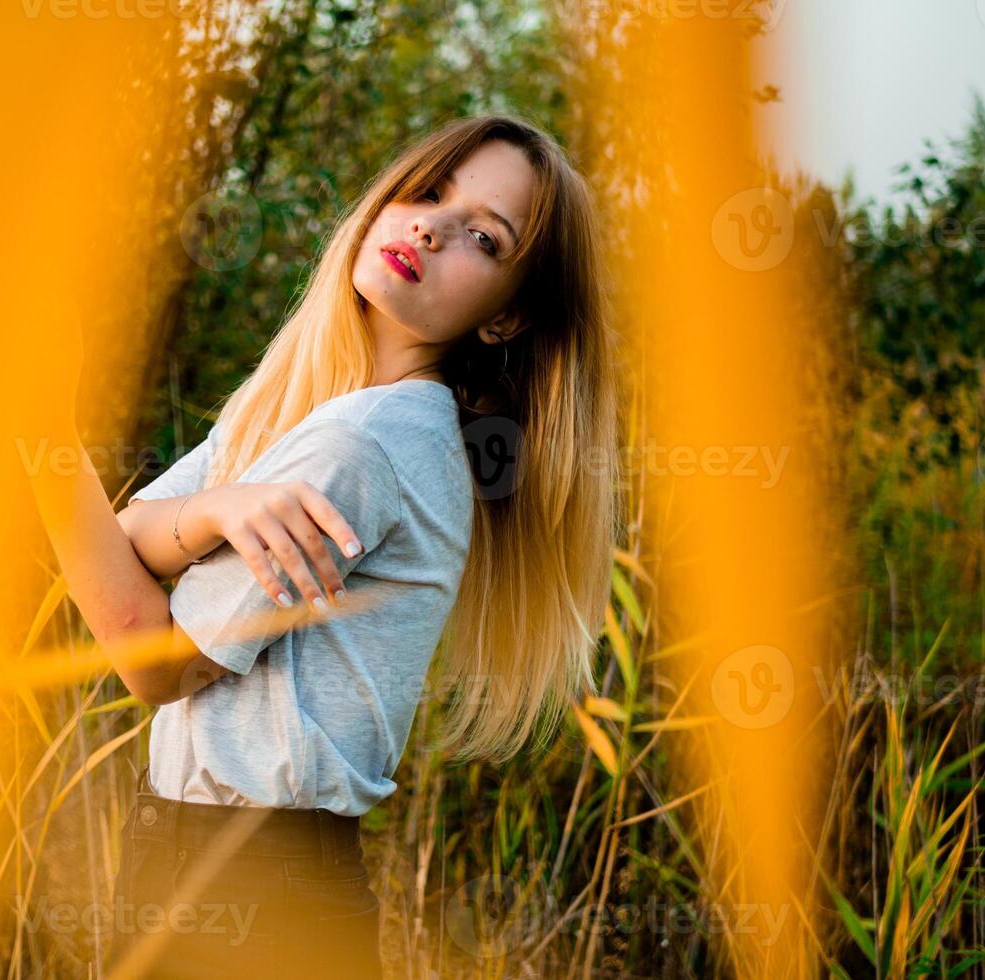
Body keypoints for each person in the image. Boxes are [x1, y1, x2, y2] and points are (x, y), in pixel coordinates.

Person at [37, 113, 621, 978]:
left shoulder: (363, 443)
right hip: (231, 870)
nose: (429, 225)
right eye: (427, 193)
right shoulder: (302, 409)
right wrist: (214, 510)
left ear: (505, 320)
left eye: (483, 239)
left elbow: (151, 661)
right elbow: (127, 539)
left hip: (249, 890)